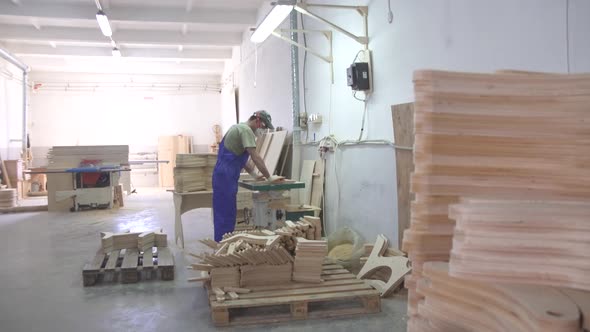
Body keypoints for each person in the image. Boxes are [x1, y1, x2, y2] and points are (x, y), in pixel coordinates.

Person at [212, 111, 274, 241]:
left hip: (223, 175)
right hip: (226, 176)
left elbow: (241, 160)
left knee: (223, 212)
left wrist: (254, 175)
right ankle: (223, 245)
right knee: (226, 213)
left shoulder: (238, 127)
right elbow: (255, 156)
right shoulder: (246, 130)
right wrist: (269, 177)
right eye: (263, 126)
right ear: (257, 121)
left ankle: (222, 243)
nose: (262, 130)